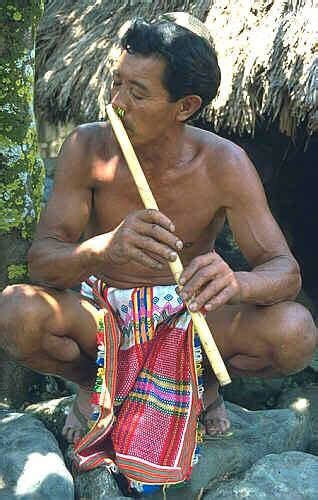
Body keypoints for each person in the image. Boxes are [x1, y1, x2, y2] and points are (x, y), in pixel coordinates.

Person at [0, 12, 316, 492]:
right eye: (117, 83)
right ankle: (92, 385)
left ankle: (203, 386)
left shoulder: (225, 163)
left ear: (185, 106)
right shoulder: (87, 146)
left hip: (187, 319)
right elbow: (43, 262)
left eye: (138, 93)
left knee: (294, 331)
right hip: (102, 316)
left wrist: (237, 282)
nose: (117, 102)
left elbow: (284, 271)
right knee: (15, 311)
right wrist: (100, 251)